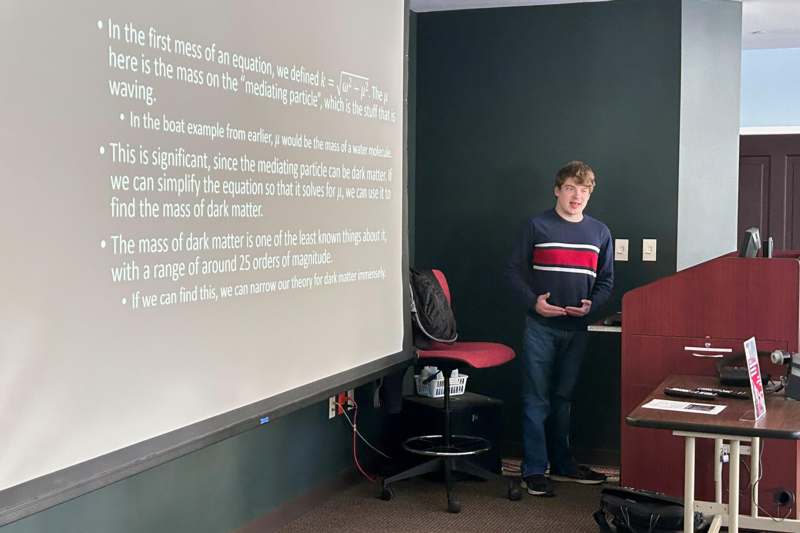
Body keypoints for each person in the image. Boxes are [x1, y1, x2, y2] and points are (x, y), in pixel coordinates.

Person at [505, 161, 614, 497]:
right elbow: (512, 272)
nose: (576, 196)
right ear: (557, 190)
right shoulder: (536, 225)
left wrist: (591, 307)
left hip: (577, 328)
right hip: (540, 326)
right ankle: (535, 470)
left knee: (563, 399)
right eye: (570, 188)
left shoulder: (600, 232)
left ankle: (563, 464)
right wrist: (533, 302)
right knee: (535, 400)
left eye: (583, 190)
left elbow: (606, 281)